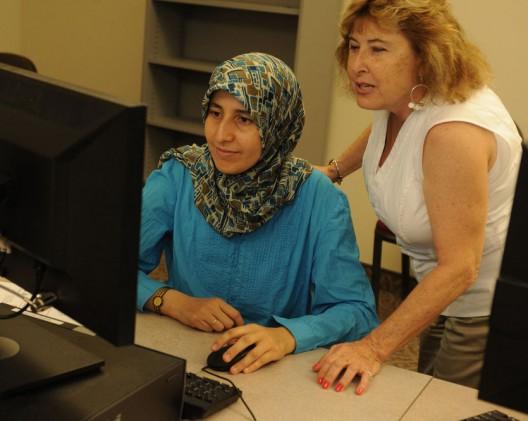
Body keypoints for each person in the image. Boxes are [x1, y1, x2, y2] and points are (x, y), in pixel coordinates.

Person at [313, 0, 522, 394]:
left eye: (378, 48)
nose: (357, 63)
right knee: (421, 386)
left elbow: (461, 268)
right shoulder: (401, 99)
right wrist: (336, 169)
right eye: (354, 46)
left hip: (484, 308)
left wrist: (371, 348)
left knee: (442, 403)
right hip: (441, 289)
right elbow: (385, 135)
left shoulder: (453, 135)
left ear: (426, 55)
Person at [137, 52, 378, 375]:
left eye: (244, 119)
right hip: (181, 353)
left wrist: (287, 336)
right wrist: (171, 301)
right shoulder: (178, 176)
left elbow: (356, 311)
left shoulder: (319, 198)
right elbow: (107, 267)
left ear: (276, 123)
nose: (221, 135)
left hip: (276, 371)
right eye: (215, 113)